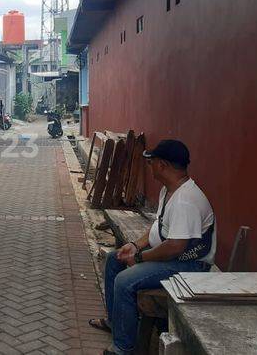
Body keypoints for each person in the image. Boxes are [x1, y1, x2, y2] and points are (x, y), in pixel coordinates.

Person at [90, 139, 216, 355]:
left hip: (189, 265)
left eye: (152, 162)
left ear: (163, 165)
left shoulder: (186, 200)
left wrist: (140, 258)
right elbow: (159, 227)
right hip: (171, 259)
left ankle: (123, 348)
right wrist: (134, 245)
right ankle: (116, 322)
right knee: (114, 260)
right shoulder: (169, 191)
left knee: (124, 281)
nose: (150, 167)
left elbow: (175, 247)